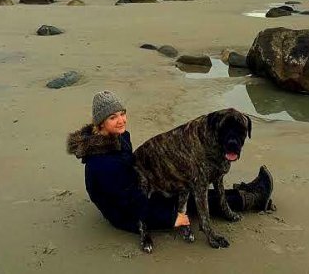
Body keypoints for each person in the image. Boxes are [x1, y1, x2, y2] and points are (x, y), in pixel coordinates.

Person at [67, 90, 275, 235]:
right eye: (113, 117)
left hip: (140, 186)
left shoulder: (115, 139)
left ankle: (244, 194)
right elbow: (129, 203)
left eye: (122, 114)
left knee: (190, 186)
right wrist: (168, 218)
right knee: (194, 198)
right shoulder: (102, 165)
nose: (121, 120)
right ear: (100, 123)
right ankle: (251, 199)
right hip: (126, 214)